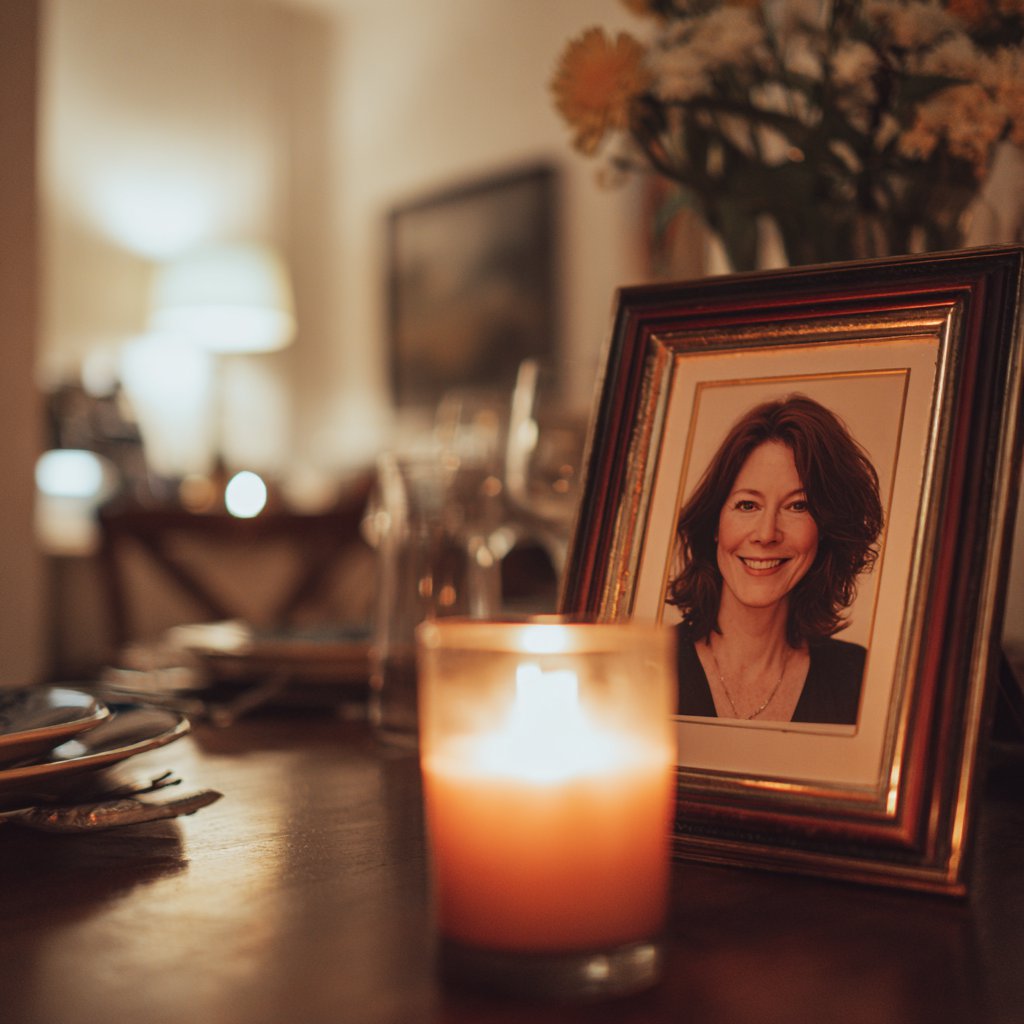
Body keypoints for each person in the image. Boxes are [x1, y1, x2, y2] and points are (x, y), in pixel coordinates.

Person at [668, 395, 884, 725]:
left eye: (797, 506)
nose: (767, 534)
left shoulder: (862, 682)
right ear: (714, 523)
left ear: (824, 529)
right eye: (747, 505)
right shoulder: (643, 668)